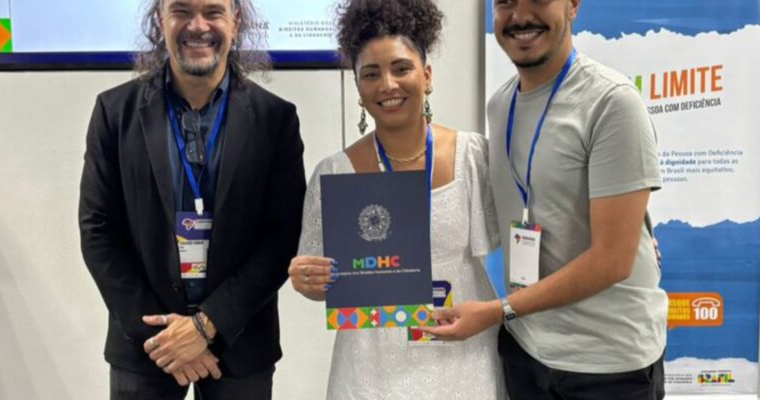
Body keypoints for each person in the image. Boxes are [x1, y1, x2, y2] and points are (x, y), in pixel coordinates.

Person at [422, 1, 667, 399]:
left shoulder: (612, 102)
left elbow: (613, 260)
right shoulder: (501, 105)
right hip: (526, 350)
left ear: (572, 5)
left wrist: (496, 311)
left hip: (607, 367)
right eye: (505, 3)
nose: (520, 16)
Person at [79, 0, 305, 398]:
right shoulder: (115, 113)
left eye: (213, 12)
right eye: (181, 10)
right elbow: (98, 230)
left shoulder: (276, 120)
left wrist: (206, 325)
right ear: (160, 20)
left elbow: (282, 236)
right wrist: (164, 338)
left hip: (240, 343)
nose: (197, 26)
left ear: (235, 21)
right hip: (147, 346)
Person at [286, 0, 506, 399]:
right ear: (358, 89)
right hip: (371, 374)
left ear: (426, 75)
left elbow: (518, 236)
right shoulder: (334, 174)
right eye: (371, 74)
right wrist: (307, 280)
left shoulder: (475, 158)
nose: (387, 85)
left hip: (463, 361)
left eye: (401, 68)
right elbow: (322, 282)